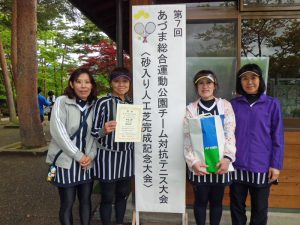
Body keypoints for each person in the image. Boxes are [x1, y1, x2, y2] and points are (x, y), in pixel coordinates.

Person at [230, 63, 284, 225]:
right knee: (236, 206)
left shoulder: (272, 103)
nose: (249, 82)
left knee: (260, 209)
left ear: (260, 80)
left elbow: (278, 136)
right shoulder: (233, 105)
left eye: (253, 77)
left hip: (261, 166)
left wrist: (276, 165)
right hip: (236, 165)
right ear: (240, 83)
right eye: (244, 79)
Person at [46, 68, 98, 225]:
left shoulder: (94, 105)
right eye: (79, 82)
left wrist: (90, 156)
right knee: (67, 203)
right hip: (65, 162)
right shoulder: (62, 101)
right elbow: (58, 132)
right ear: (72, 84)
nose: (83, 86)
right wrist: (79, 155)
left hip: (86, 163)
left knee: (86, 201)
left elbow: (94, 135)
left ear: (92, 85)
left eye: (87, 82)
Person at [184, 70, 236, 225]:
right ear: (196, 87)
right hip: (200, 166)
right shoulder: (191, 109)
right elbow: (187, 139)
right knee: (200, 201)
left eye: (208, 82)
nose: (205, 86)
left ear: (215, 85)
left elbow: (230, 133)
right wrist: (193, 162)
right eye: (201, 83)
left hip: (220, 164)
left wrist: (227, 158)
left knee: (216, 202)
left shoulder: (225, 105)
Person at [91, 67, 134, 225]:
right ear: (111, 83)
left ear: (129, 83)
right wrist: (104, 130)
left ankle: (120, 222)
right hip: (107, 155)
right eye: (116, 81)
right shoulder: (103, 102)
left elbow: (134, 132)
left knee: (123, 194)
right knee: (108, 196)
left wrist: (138, 129)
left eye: (124, 81)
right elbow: (94, 132)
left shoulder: (132, 103)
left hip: (126, 155)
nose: (121, 84)